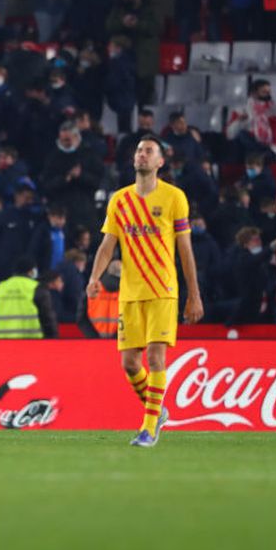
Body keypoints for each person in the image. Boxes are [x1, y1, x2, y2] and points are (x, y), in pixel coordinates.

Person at [86, 135, 203, 448]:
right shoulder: (119, 200)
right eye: (139, 150)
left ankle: (149, 429)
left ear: (160, 162)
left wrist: (194, 294)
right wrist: (95, 277)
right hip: (130, 292)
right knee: (129, 363)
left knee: (155, 356)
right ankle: (158, 411)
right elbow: (107, 244)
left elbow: (185, 249)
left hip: (163, 289)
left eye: (149, 151)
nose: (142, 154)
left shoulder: (174, 197)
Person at [0, 256, 59, 340]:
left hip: (2, 342)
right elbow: (47, 317)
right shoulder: (36, 288)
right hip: (31, 342)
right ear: (31, 271)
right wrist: (52, 338)